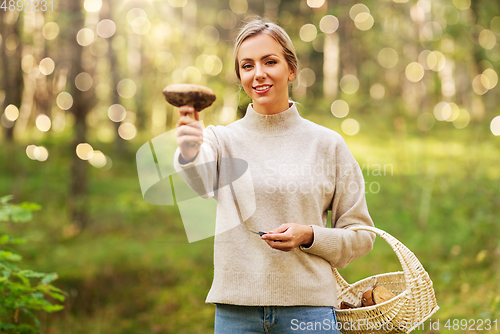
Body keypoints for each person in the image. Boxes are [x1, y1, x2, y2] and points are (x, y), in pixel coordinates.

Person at [174, 19, 375, 334]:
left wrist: (309, 235)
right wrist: (188, 150)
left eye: (270, 61)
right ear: (240, 75)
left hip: (309, 313)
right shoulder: (219, 140)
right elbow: (198, 183)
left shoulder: (327, 144)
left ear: (291, 70)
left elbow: (361, 236)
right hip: (236, 315)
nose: (259, 73)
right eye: (247, 65)